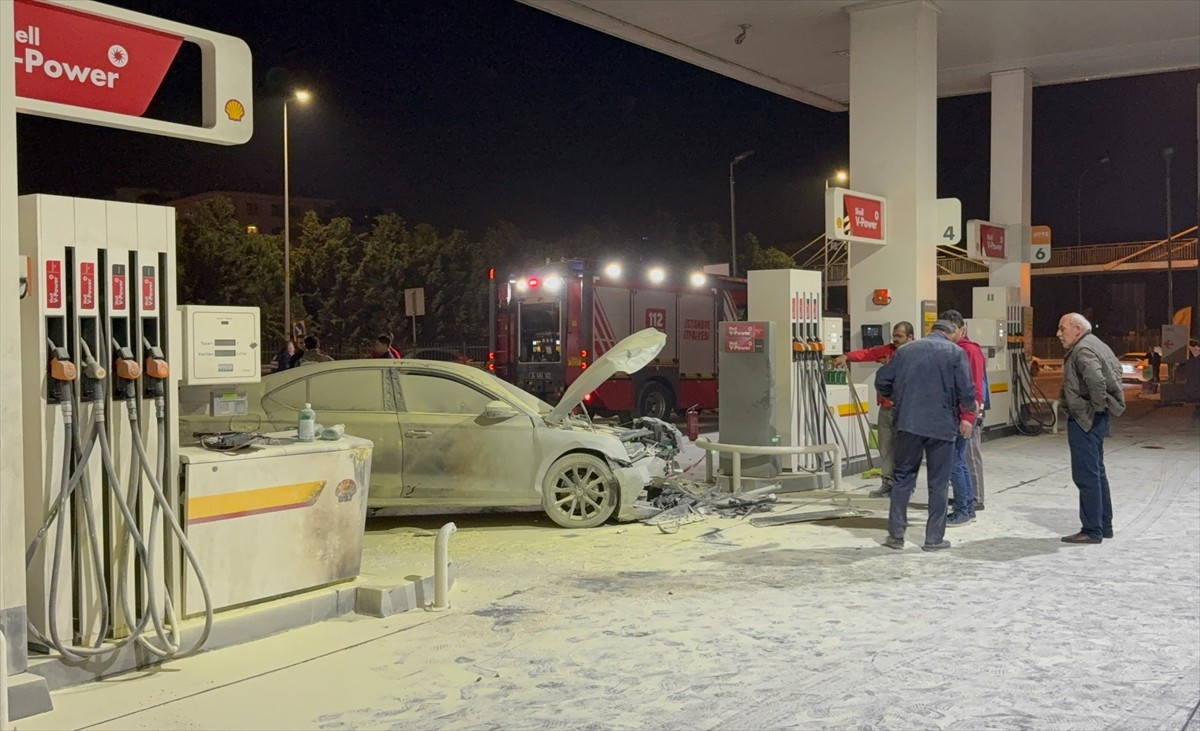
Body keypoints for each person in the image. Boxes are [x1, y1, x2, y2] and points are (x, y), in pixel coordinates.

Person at [877, 320, 976, 552]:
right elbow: (967, 389)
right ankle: (933, 539)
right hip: (941, 427)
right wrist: (968, 412)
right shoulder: (956, 352)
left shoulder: (905, 351)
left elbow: (882, 380)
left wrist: (898, 398)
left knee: (902, 479)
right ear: (950, 334)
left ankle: (896, 536)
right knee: (939, 484)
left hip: (907, 424)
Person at [1057, 312, 1125, 544]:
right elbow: (1116, 370)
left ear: (1077, 329)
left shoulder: (1083, 350)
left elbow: (1096, 381)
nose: (1059, 334)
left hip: (1085, 420)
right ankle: (1104, 526)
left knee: (1086, 475)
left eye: (1062, 329)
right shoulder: (1097, 344)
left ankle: (1092, 530)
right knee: (1097, 473)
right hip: (1096, 419)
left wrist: (1096, 408)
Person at [832, 321, 915, 498]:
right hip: (886, 408)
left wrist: (890, 363)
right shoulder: (889, 350)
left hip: (906, 410)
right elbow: (868, 353)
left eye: (899, 336)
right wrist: (846, 356)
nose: (895, 339)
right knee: (885, 447)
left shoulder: (916, 354)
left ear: (910, 337)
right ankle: (887, 483)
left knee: (905, 450)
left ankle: (904, 485)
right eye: (894, 336)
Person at [939, 310, 986, 526]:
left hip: (962, 415)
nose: (948, 334)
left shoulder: (969, 351)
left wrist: (968, 417)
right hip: (955, 413)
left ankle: (963, 510)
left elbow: (974, 386)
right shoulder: (953, 349)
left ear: (961, 329)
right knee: (959, 462)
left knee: (956, 463)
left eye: (952, 329)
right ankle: (966, 506)